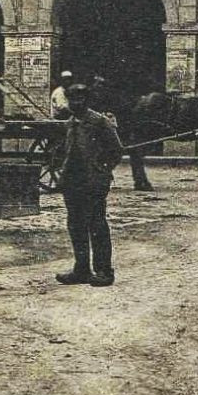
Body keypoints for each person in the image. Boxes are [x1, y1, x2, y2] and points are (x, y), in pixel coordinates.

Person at [53, 81, 125, 287]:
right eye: (72, 99)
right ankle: (81, 269)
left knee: (97, 225)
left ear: (87, 100)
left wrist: (102, 170)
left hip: (92, 182)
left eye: (80, 99)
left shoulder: (99, 122)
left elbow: (116, 151)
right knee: (75, 226)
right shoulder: (71, 122)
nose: (76, 103)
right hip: (72, 182)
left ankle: (104, 271)